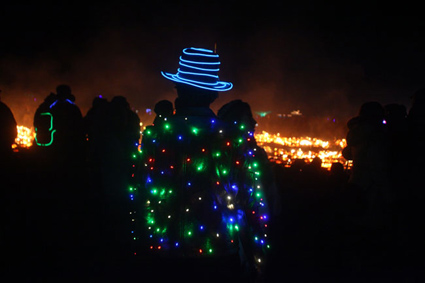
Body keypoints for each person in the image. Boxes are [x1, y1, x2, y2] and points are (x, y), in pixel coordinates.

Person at [136, 47, 270, 281]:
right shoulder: (234, 136)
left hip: (163, 249)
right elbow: (252, 203)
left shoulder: (155, 136)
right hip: (217, 249)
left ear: (178, 89)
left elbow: (140, 192)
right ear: (213, 95)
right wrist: (256, 254)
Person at [0, 91, 17, 158]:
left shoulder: (4, 108)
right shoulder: (4, 108)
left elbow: (12, 126)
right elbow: (13, 126)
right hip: (5, 147)